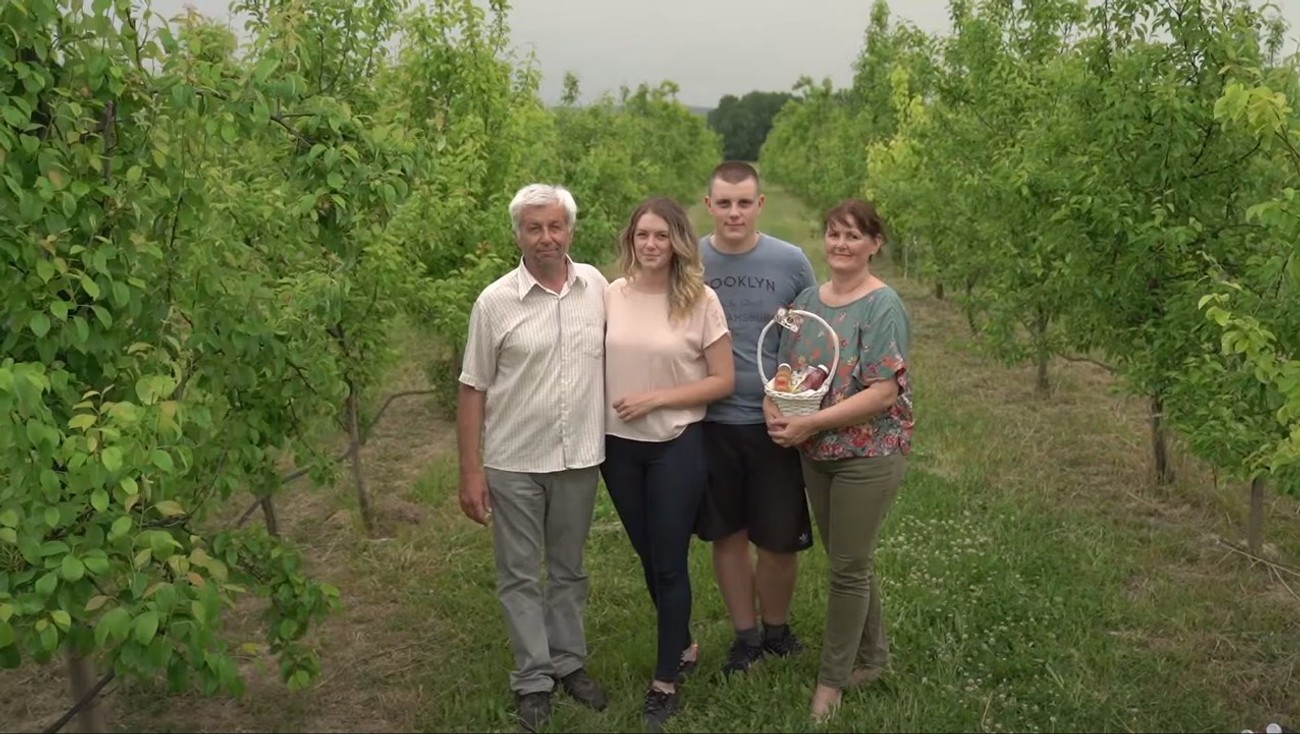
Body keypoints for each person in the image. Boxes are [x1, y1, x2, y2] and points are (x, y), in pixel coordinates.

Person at [456, 183, 611, 733]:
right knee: (519, 574)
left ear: (570, 230)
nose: (546, 237)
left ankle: (569, 662)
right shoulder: (495, 302)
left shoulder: (597, 287)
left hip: (578, 459)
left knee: (569, 570)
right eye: (533, 228)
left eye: (555, 226)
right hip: (514, 461)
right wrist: (471, 471)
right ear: (518, 234)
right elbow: (473, 388)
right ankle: (533, 679)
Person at [766, 198, 914, 723]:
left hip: (867, 453)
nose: (841, 245)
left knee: (847, 569)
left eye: (854, 236)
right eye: (833, 234)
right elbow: (789, 370)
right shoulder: (809, 300)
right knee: (849, 560)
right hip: (817, 451)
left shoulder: (882, 306)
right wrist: (775, 407)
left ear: (875, 244)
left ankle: (831, 682)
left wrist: (810, 423)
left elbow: (882, 393)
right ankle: (874, 659)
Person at [600, 196, 735, 730]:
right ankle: (683, 644)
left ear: (678, 241)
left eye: (661, 236)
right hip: (618, 447)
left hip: (675, 442)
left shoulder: (700, 300)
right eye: (641, 236)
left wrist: (657, 398)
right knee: (645, 552)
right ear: (630, 242)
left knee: (668, 560)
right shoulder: (612, 295)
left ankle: (664, 682)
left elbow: (723, 381)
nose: (650, 245)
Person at [696, 161, 819, 676]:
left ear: (760, 205)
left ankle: (777, 628)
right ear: (708, 206)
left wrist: (797, 402)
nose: (734, 212)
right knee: (729, 536)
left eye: (744, 202)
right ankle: (745, 636)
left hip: (774, 425)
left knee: (777, 539)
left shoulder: (790, 262)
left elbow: (811, 338)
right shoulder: (691, 258)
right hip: (710, 422)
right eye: (724, 202)